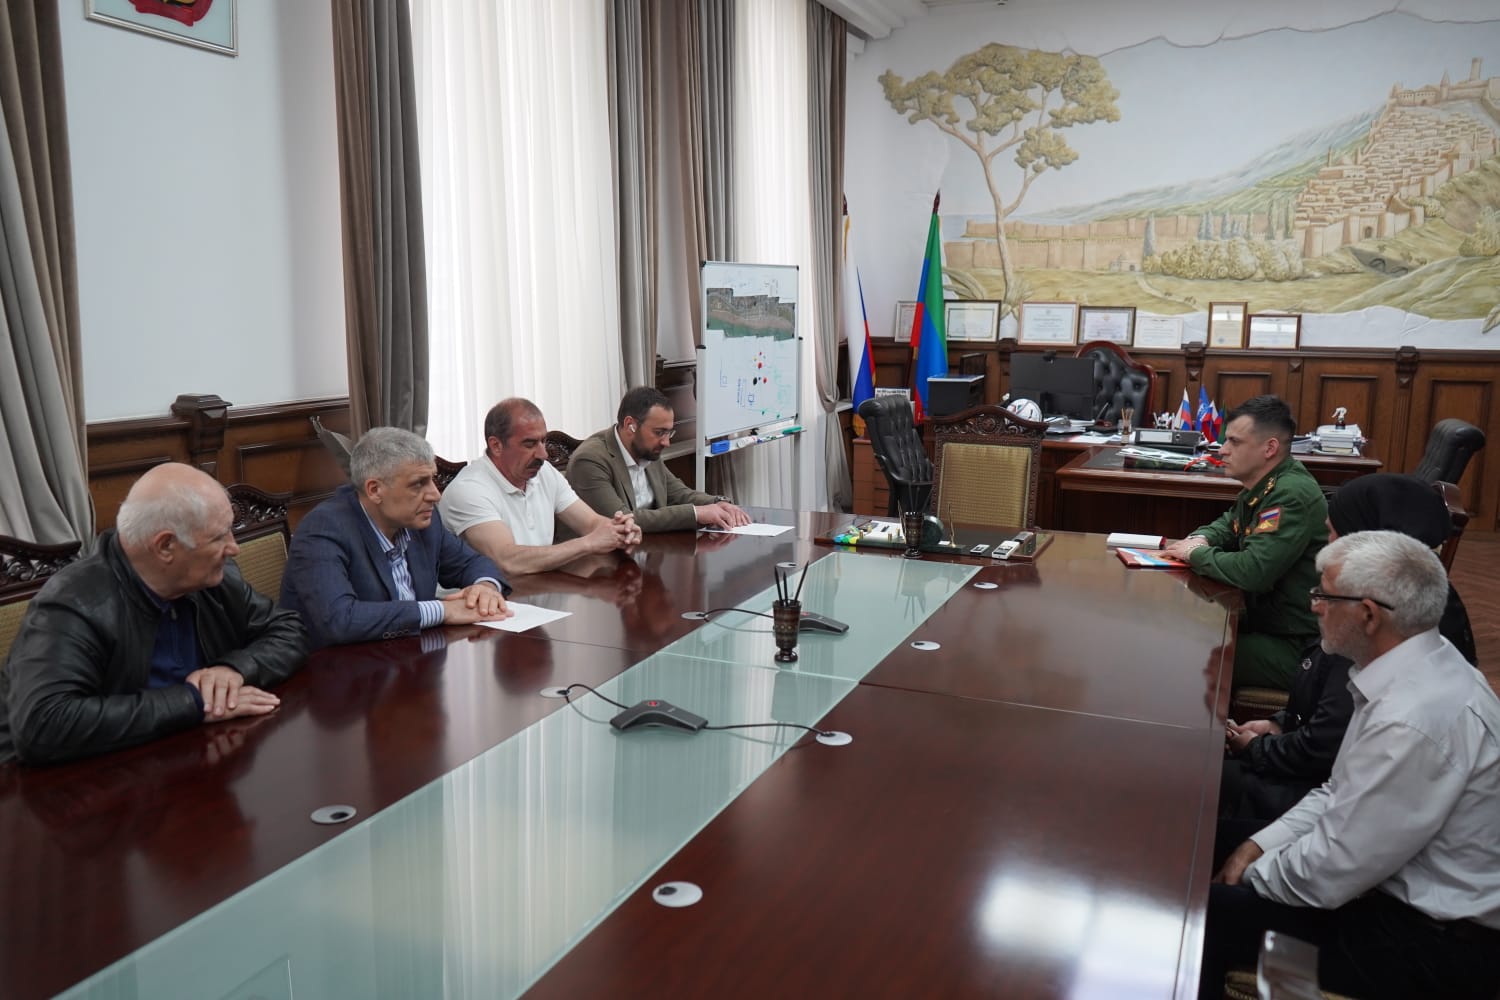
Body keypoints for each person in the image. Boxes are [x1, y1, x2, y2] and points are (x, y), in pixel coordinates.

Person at [1200, 531, 1500, 1000]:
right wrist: (1256, 846)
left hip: (1429, 943)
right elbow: (1337, 791)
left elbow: (1330, 873)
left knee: (1200, 912)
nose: (1314, 605)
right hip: (1382, 883)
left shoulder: (1411, 718)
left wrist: (1248, 875)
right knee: (1204, 840)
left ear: (1368, 614)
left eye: (1324, 595)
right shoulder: (1415, 667)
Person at [0, 463, 308, 765]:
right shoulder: (75, 603)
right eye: (218, 537)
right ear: (165, 546)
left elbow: (288, 629)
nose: (234, 548)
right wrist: (194, 702)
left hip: (194, 757)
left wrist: (233, 669)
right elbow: (44, 723)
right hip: (86, 780)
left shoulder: (216, 580)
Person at [1219, 473, 1478, 828]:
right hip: (1323, 784)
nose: (1325, 545)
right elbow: (1331, 712)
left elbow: (1327, 757)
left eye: (1331, 533)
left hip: (1327, 798)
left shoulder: (1379, 618)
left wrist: (1255, 748)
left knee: (1199, 785)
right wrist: (1280, 723)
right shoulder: (1409, 594)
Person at [281, 427, 512, 647]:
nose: (435, 495)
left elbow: (472, 563)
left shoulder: (423, 522)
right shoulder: (323, 529)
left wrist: (485, 588)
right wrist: (443, 611)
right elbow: (340, 619)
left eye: (432, 479)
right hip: (338, 668)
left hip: (410, 657)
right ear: (375, 490)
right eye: (418, 484)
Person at [1162, 395, 1327, 689]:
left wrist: (1196, 554)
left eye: (1234, 442)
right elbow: (1231, 522)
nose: (1222, 450)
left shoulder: (1290, 494)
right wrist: (1202, 538)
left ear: (1269, 448)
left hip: (1297, 644)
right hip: (1266, 621)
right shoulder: (1266, 484)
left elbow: (1253, 571)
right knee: (1176, 627)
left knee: (1192, 652)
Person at [437, 398, 642, 575]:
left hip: (541, 588)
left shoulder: (544, 473)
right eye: (529, 444)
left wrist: (621, 531)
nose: (543, 454)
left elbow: (590, 522)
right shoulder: (468, 490)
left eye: (543, 441)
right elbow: (506, 560)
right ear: (496, 445)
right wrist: (588, 543)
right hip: (485, 599)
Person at [567, 386, 751, 532]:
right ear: (630, 425)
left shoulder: (647, 450)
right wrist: (696, 513)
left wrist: (717, 502)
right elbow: (622, 520)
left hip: (647, 550)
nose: (666, 442)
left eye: (669, 432)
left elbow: (679, 494)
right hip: (598, 561)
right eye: (659, 432)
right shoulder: (590, 460)